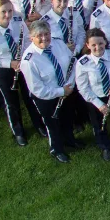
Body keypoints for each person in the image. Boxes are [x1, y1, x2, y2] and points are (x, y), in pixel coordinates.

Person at [0, 0, 37, 144]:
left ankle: (39, 124)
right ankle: (18, 131)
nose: (7, 15)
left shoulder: (18, 22)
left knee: (30, 96)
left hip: (22, 66)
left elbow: (28, 42)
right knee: (11, 102)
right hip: (4, 70)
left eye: (10, 11)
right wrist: (8, 63)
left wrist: (23, 60)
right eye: (3, 12)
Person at [19, 20, 76, 162]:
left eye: (46, 34)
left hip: (67, 89)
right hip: (47, 97)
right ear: (31, 38)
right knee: (52, 124)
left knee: (67, 117)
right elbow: (38, 90)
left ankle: (70, 141)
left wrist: (70, 86)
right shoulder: (29, 60)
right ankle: (56, 149)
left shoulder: (58, 43)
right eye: (39, 36)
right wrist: (60, 92)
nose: (44, 38)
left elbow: (72, 63)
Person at [75, 28, 110, 160]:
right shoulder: (83, 63)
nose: (97, 47)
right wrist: (99, 105)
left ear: (105, 42)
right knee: (98, 124)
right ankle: (104, 145)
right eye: (93, 45)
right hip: (95, 97)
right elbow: (83, 88)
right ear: (87, 45)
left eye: (100, 43)